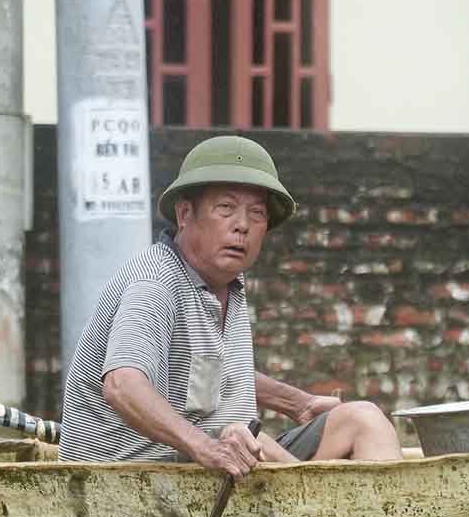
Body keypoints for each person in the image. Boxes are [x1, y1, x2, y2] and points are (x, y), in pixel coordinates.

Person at [59, 135, 402, 474]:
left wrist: (298, 404)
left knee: (364, 419)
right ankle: (323, 508)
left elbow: (208, 367)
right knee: (254, 442)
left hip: (216, 461)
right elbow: (122, 385)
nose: (242, 226)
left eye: (256, 213)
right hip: (133, 476)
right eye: (225, 208)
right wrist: (206, 447)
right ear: (184, 214)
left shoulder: (226, 282)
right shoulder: (156, 284)